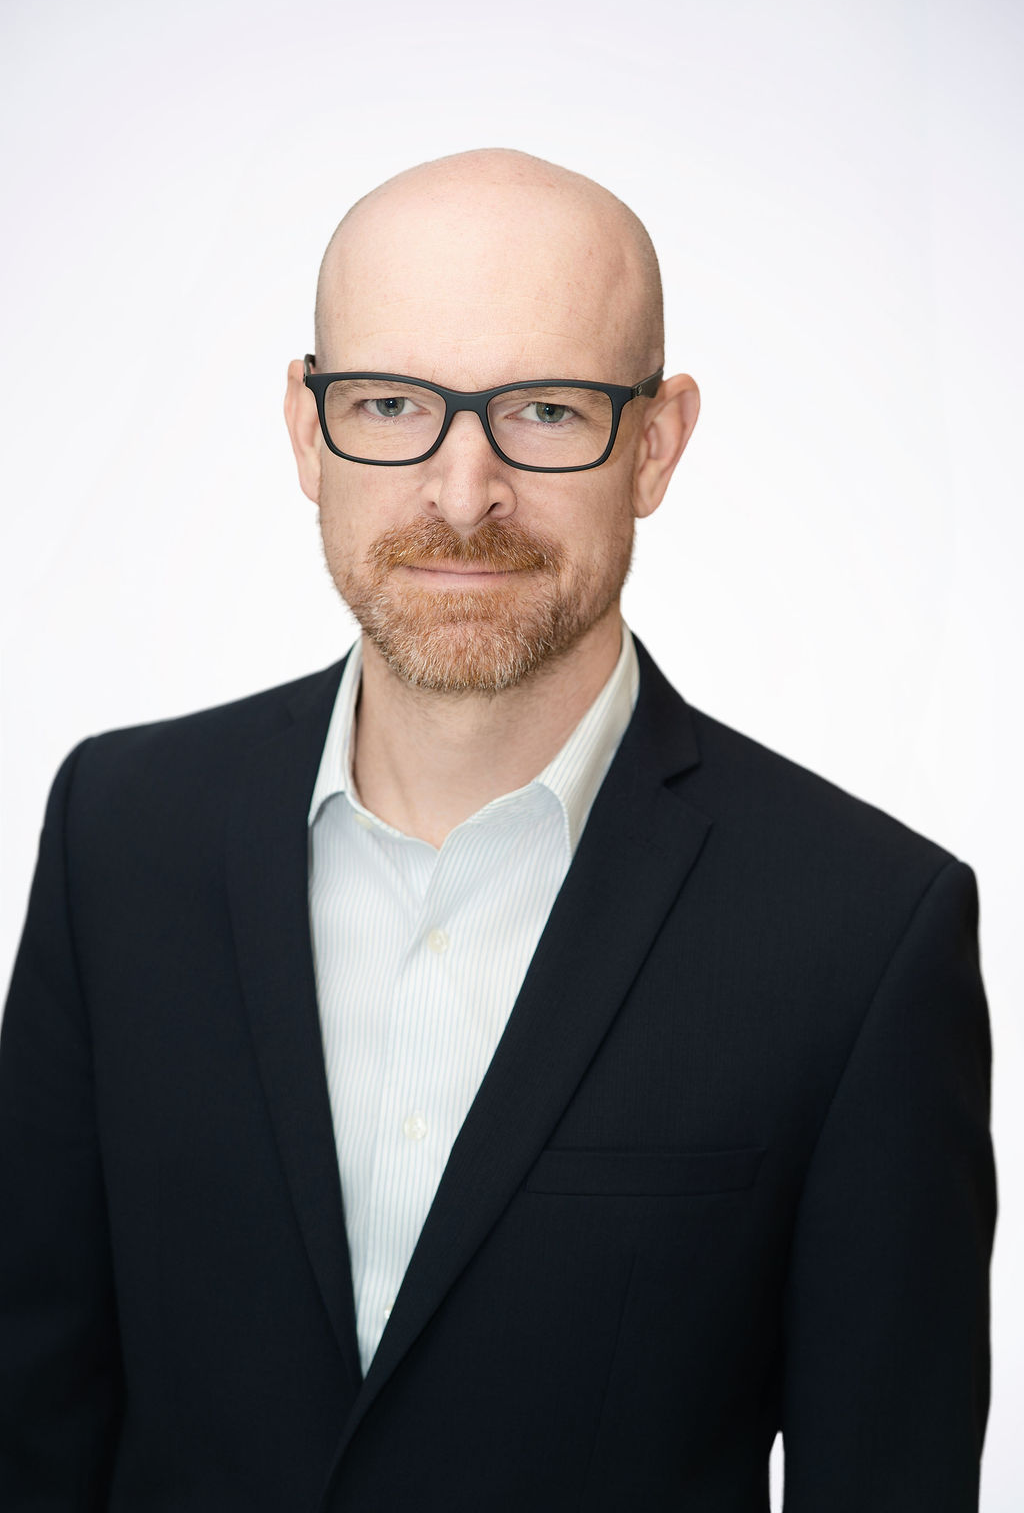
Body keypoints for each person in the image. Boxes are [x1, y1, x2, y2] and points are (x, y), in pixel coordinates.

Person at [0, 149, 995, 1512]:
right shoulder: (118, 836)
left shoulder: (865, 933)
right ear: (308, 428)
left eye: (543, 408)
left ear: (656, 442)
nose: (461, 493)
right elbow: (28, 1426)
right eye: (393, 402)